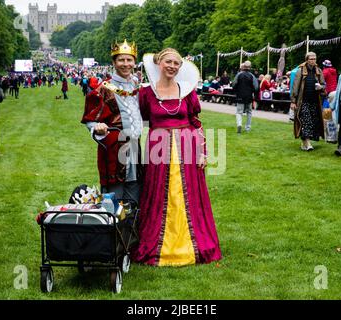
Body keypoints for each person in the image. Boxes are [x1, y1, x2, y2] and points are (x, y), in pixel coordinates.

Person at [132, 48, 222, 267]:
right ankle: (158, 243)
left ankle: (193, 243)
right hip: (158, 150)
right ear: (159, 63)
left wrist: (203, 151)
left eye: (176, 63)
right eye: (168, 62)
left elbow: (195, 121)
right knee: (159, 195)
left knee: (189, 196)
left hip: (188, 149)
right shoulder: (146, 93)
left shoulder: (186, 91)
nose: (172, 66)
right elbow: (139, 122)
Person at [81, 40, 143, 204]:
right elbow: (90, 120)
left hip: (135, 149)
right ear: (114, 62)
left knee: (135, 199)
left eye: (129, 60)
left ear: (134, 62)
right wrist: (97, 127)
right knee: (114, 202)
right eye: (121, 60)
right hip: (114, 152)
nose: (126, 64)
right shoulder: (103, 88)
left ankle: (132, 230)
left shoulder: (137, 86)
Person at [290, 52, 326, 151]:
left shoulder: (318, 71)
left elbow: (323, 84)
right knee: (306, 121)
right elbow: (295, 87)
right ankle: (308, 144)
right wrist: (293, 101)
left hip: (315, 101)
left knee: (314, 121)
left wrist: (321, 87)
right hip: (303, 101)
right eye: (311, 59)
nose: (313, 61)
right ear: (306, 60)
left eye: (314, 59)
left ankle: (304, 142)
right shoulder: (300, 71)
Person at [232, 61, 259, 134]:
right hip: (249, 96)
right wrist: (253, 93)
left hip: (240, 96)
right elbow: (256, 87)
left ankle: (239, 124)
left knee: (239, 112)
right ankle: (248, 127)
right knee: (249, 112)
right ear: (250, 67)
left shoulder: (239, 75)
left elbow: (233, 84)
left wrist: (236, 91)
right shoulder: (252, 76)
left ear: (243, 67)